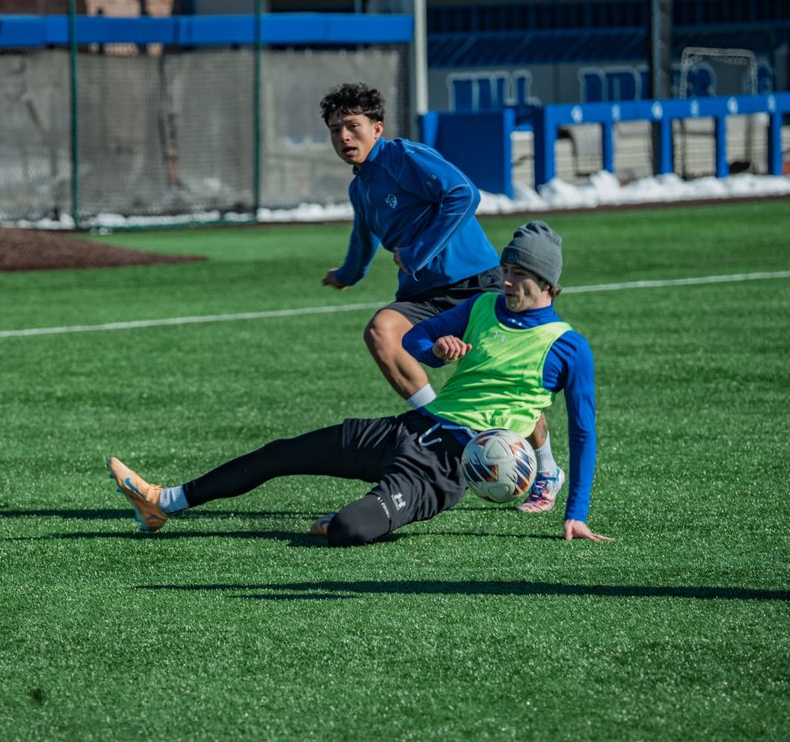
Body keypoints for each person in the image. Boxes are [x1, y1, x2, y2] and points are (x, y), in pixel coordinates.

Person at [110, 220, 612, 545]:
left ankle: (363, 510)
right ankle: (164, 501)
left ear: (547, 283)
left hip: (442, 471)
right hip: (408, 429)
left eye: (518, 274)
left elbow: (584, 432)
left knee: (348, 529)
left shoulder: (569, 347)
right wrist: (435, 350)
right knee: (282, 452)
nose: (505, 281)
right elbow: (413, 343)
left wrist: (577, 511)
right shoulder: (482, 307)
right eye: (504, 268)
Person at [318, 82, 566, 511]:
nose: (344, 137)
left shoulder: (403, 156)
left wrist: (416, 251)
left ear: (377, 128)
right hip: (422, 296)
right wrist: (345, 275)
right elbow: (364, 242)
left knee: (504, 378)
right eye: (336, 129)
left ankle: (546, 467)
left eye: (353, 126)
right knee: (381, 332)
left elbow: (463, 194)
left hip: (476, 283)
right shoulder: (360, 188)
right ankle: (449, 431)